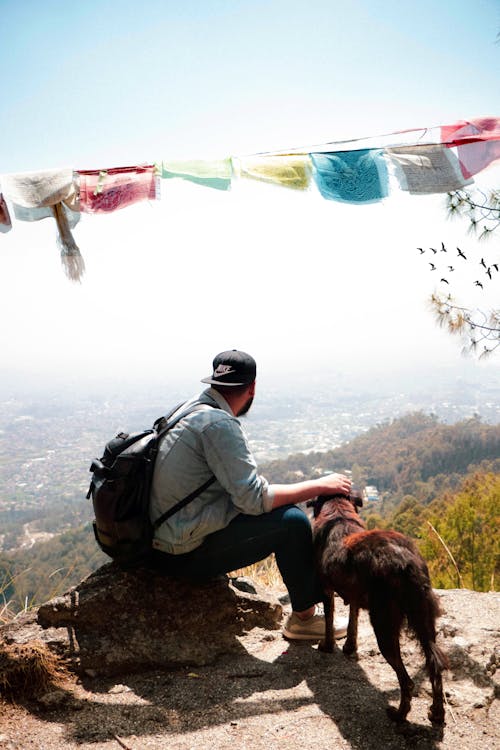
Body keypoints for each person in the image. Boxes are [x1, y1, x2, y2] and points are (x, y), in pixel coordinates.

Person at [150, 349, 351, 640]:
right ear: (252, 388)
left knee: (281, 512)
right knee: (293, 522)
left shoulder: (189, 409)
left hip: (159, 540)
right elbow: (254, 500)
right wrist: (320, 485)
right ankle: (304, 621)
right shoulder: (219, 425)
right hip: (182, 557)